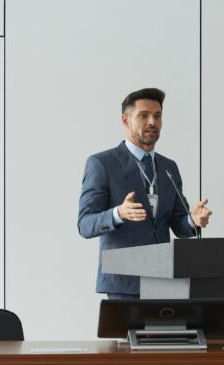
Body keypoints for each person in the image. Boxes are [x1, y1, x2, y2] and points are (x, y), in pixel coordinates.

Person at [77, 88, 212, 299]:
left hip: (165, 278)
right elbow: (85, 224)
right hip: (125, 281)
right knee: (132, 334)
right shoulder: (102, 164)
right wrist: (118, 213)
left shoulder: (169, 167)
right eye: (143, 115)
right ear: (125, 120)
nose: (152, 121)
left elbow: (178, 223)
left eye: (157, 116)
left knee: (171, 333)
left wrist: (193, 220)